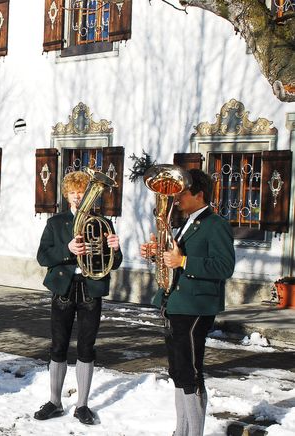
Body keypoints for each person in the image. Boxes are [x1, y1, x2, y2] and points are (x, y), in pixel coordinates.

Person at [140, 168, 235, 436]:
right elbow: (174, 259)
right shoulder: (187, 223)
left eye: (182, 193)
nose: (177, 198)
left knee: (191, 373)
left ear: (199, 195)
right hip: (176, 304)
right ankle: (181, 430)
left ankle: (194, 432)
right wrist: (156, 254)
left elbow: (225, 266)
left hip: (196, 307)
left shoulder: (216, 224)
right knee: (179, 372)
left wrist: (183, 261)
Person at [34, 170, 122, 425]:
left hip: (90, 288)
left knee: (86, 346)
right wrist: (67, 249)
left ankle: (82, 405)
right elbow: (42, 257)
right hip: (64, 287)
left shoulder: (102, 222)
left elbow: (114, 263)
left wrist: (115, 249)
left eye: (81, 192)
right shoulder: (55, 222)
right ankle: (55, 401)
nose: (77, 196)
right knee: (58, 346)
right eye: (72, 192)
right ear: (66, 195)